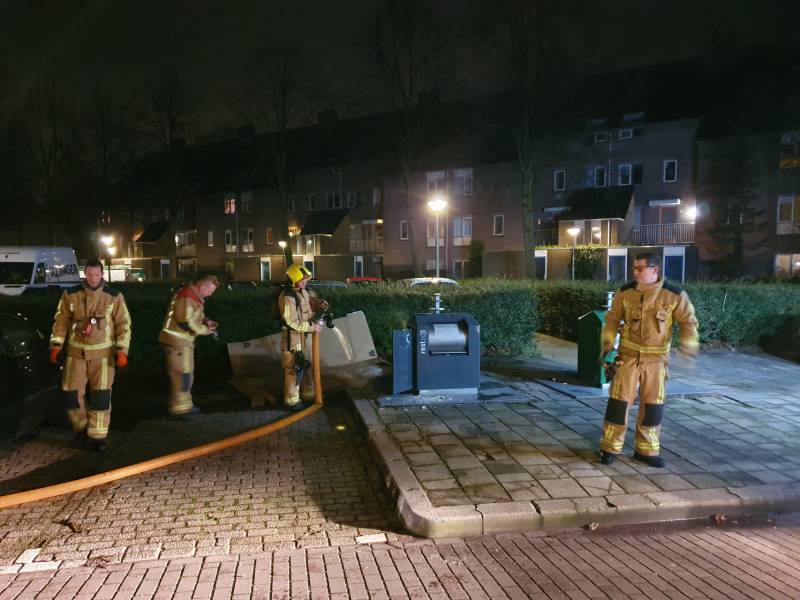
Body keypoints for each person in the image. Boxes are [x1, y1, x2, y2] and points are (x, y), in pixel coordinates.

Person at [598, 252, 699, 468]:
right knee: (618, 404)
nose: (635, 272)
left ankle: (646, 451)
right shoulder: (625, 293)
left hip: (657, 361)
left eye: (640, 268)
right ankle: (609, 448)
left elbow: (689, 323)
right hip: (627, 358)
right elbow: (612, 320)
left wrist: (688, 349)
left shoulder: (674, 295)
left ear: (655, 270)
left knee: (653, 407)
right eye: (634, 268)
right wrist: (608, 347)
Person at [49, 259, 132, 452]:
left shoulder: (113, 296)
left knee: (101, 397)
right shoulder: (70, 295)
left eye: (97, 274)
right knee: (71, 395)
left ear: (102, 274)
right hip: (75, 355)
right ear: (84, 273)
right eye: (90, 274)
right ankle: (80, 430)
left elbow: (124, 325)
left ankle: (97, 437)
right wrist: (55, 345)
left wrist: (122, 351)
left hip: (104, 357)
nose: (93, 278)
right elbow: (60, 321)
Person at [159, 274, 219, 417]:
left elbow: (191, 315)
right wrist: (206, 331)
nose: (210, 294)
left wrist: (206, 321)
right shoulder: (188, 297)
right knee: (181, 375)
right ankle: (179, 409)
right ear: (202, 286)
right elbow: (185, 322)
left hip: (180, 342)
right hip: (178, 342)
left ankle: (184, 406)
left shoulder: (191, 295)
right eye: (210, 290)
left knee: (184, 374)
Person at [278, 265, 328, 411]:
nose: (306, 282)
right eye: (303, 279)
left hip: (303, 337)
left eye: (306, 279)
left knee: (305, 366)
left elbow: (309, 305)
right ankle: (291, 401)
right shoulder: (287, 297)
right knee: (294, 369)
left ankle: (306, 394)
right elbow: (291, 322)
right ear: (294, 279)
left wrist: (320, 304)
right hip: (291, 339)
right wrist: (313, 327)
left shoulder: (303, 292)